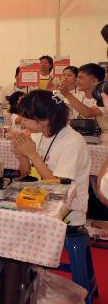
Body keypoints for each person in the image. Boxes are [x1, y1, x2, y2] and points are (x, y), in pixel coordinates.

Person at [11, 91, 91, 228]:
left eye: (26, 118)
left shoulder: (72, 142)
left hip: (68, 212)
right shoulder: (40, 133)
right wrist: (22, 154)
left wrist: (33, 155)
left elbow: (60, 186)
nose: (22, 121)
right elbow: (25, 172)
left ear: (45, 120)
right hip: (41, 200)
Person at [59, 63, 108, 134]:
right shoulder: (76, 96)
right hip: (81, 138)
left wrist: (67, 94)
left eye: (80, 78)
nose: (77, 81)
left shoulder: (104, 97)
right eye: (77, 77)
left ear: (94, 81)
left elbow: (89, 113)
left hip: (103, 140)